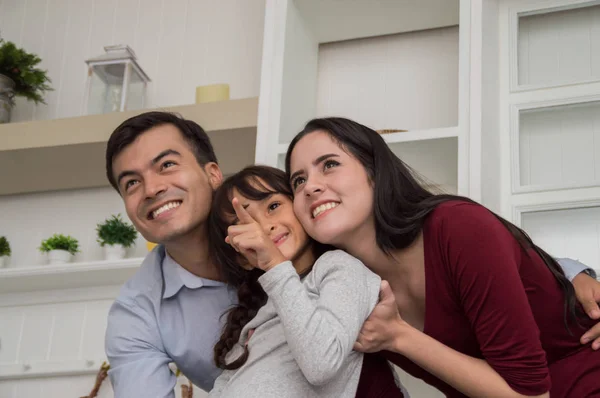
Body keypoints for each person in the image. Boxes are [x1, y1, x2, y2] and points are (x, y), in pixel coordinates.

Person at [285, 117, 600, 398]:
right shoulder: (348, 288)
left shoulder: (458, 227)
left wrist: (398, 337)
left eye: (329, 164)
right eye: (298, 181)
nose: (310, 186)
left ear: (375, 172)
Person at [102, 112, 404, 397]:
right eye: (131, 183)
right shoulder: (137, 314)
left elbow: (327, 360)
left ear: (213, 174)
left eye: (166, 164)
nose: (152, 188)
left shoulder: (331, 257)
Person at [207, 165, 407, 397]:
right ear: (242, 258)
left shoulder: (339, 267)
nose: (264, 227)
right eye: (245, 225)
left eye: (273, 206)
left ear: (302, 207)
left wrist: (275, 265)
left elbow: (321, 364)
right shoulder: (262, 310)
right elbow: (226, 383)